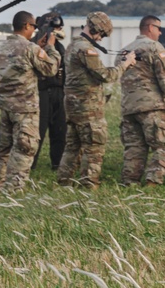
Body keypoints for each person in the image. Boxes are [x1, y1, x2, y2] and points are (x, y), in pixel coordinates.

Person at [57, 11, 135, 189]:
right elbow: (105, 75)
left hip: (72, 106)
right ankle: (88, 185)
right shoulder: (87, 50)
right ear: (95, 29)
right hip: (88, 108)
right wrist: (125, 64)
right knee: (94, 146)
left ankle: (64, 182)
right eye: (101, 34)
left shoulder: (72, 45)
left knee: (72, 147)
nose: (101, 39)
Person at [0, 11, 60, 190]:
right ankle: (14, 188)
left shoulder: (2, 48)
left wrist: (38, 48)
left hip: (6, 105)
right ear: (27, 26)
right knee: (24, 148)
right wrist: (50, 48)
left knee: (4, 149)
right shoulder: (30, 48)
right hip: (24, 107)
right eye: (34, 26)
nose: (34, 30)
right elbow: (50, 69)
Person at [119, 15, 165, 186]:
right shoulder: (154, 47)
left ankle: (129, 182)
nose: (160, 33)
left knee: (134, 147)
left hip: (129, 106)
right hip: (150, 105)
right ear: (151, 27)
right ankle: (152, 181)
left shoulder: (125, 50)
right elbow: (164, 76)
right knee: (163, 145)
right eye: (159, 28)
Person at [33, 18, 66, 170]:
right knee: (37, 132)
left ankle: (57, 164)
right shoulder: (34, 46)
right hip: (41, 91)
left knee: (60, 131)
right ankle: (30, 164)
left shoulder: (61, 48)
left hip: (59, 92)